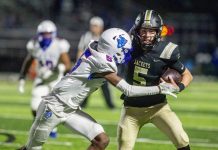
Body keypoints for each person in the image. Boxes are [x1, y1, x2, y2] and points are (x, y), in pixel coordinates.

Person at [19, 28, 179, 150]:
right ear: (112, 49)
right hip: (53, 108)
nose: (125, 53)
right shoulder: (101, 62)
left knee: (101, 140)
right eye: (123, 50)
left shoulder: (98, 48)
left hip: (70, 109)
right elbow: (129, 90)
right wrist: (160, 89)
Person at [117, 10, 193, 150]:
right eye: (143, 31)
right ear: (136, 30)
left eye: (151, 31)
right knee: (124, 147)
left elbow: (188, 75)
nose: (147, 35)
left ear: (158, 32)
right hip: (131, 111)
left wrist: (179, 87)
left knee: (182, 140)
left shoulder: (166, 51)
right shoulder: (128, 46)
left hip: (158, 108)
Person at [18, 20, 71, 138]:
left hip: (55, 79)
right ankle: (40, 122)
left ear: (53, 33)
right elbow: (28, 60)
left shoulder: (59, 44)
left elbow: (67, 64)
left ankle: (52, 127)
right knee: (34, 107)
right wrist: (22, 76)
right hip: (41, 78)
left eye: (48, 33)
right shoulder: (34, 45)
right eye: (43, 33)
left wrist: (61, 68)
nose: (46, 36)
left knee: (54, 106)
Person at [77, 16, 115, 109]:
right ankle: (83, 104)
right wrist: (78, 63)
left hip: (102, 66)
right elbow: (80, 50)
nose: (93, 28)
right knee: (86, 85)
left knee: (104, 86)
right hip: (89, 65)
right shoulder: (86, 36)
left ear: (101, 27)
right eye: (92, 25)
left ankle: (110, 105)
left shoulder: (105, 37)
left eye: (96, 26)